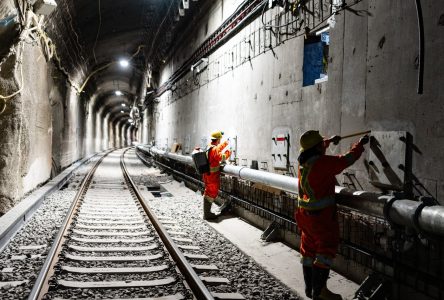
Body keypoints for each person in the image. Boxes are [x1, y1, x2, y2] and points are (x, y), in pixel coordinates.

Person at [295, 130, 369, 300]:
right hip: (321, 219)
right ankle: (320, 291)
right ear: (317, 147)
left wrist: (329, 141)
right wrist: (359, 145)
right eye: (322, 143)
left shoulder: (303, 160)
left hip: (305, 216)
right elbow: (345, 160)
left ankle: (310, 289)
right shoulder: (323, 163)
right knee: (325, 250)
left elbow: (315, 148)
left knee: (308, 251)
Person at [202, 130, 231, 220]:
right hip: (212, 177)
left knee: (208, 192)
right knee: (211, 193)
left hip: (207, 175)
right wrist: (228, 153)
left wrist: (226, 143)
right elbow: (220, 157)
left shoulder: (210, 147)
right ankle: (207, 215)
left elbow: (218, 148)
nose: (220, 142)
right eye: (220, 140)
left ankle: (206, 213)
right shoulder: (214, 149)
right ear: (218, 140)